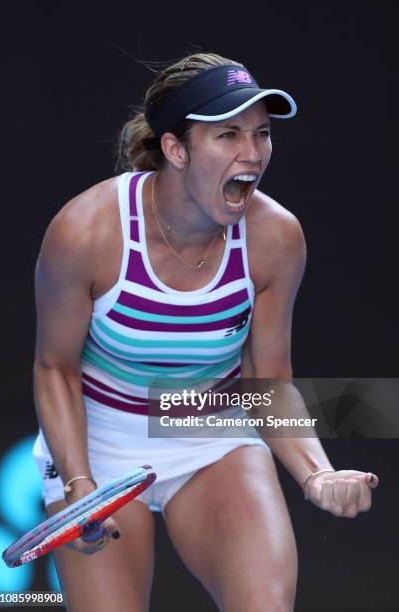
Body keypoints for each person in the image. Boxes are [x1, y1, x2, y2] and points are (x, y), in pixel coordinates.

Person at [32, 52, 378, 612]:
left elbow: (268, 380)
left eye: (262, 134)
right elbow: (54, 368)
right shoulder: (86, 231)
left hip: (208, 434)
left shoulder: (276, 238)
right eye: (229, 135)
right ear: (175, 149)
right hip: (96, 442)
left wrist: (318, 474)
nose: (253, 153)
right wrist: (78, 487)